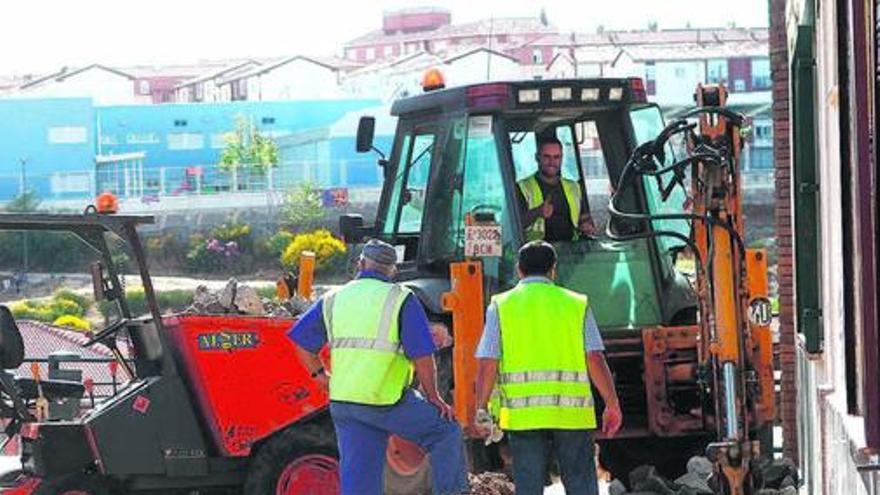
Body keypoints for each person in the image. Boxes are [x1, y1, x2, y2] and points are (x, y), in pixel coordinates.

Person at [288, 239, 469, 495]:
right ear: (393, 270)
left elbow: (301, 343)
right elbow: (423, 357)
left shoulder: (332, 298)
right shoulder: (401, 299)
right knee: (445, 432)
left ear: (361, 264)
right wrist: (434, 398)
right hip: (385, 401)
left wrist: (321, 376)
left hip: (345, 403)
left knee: (359, 481)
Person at [473, 240, 623, 495]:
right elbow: (594, 358)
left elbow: (489, 361)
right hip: (571, 414)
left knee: (529, 485)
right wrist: (612, 403)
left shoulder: (501, 305)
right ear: (554, 270)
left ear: (519, 269)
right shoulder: (576, 304)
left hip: (524, 416)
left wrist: (481, 408)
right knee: (580, 483)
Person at [517, 135, 598, 242]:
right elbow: (513, 225)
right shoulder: (523, 187)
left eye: (556, 157)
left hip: (571, 250)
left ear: (562, 158)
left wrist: (587, 225)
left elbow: (584, 217)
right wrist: (538, 212)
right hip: (535, 252)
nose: (552, 162)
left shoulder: (574, 187)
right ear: (537, 158)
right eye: (547, 157)